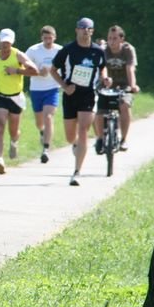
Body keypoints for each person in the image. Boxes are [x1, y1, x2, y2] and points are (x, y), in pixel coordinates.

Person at [50, 17, 109, 186]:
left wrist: (105, 78)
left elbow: (102, 67)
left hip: (88, 94)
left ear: (92, 31)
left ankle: (77, 172)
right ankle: (75, 144)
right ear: (76, 30)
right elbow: (53, 70)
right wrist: (64, 87)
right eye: (82, 28)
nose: (85, 31)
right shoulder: (68, 50)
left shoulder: (98, 51)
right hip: (71, 93)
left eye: (88, 28)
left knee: (83, 129)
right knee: (70, 137)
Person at [0, 28, 38, 174]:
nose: (5, 46)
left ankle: (14, 142)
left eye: (8, 43)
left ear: (12, 42)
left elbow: (35, 71)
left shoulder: (18, 55)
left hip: (16, 97)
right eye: (3, 42)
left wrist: (17, 71)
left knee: (14, 131)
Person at [94, 25, 139, 152]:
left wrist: (133, 85)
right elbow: (103, 67)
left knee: (124, 105)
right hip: (106, 84)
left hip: (124, 85)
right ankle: (100, 138)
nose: (111, 41)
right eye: (109, 38)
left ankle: (123, 139)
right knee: (100, 109)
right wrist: (105, 79)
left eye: (114, 38)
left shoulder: (128, 50)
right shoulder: (103, 50)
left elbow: (130, 68)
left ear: (121, 39)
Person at [25, 25, 63, 163]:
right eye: (45, 38)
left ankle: (46, 149)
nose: (48, 41)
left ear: (55, 37)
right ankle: (42, 132)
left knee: (48, 116)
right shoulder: (33, 50)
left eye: (50, 38)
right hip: (36, 89)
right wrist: (37, 72)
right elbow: (23, 68)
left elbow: (67, 67)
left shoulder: (60, 50)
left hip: (53, 88)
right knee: (39, 122)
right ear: (41, 38)